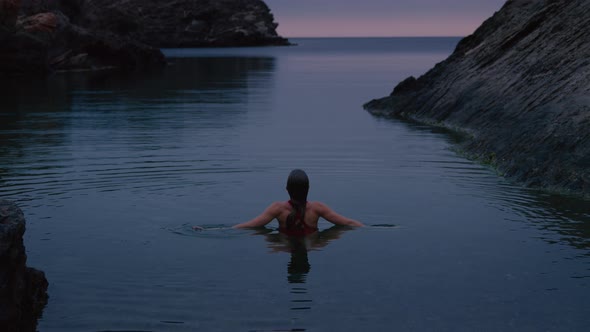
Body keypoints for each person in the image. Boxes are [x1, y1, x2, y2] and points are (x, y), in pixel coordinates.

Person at [233, 169, 364, 235]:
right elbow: (347, 223)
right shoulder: (317, 208)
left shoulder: (277, 208)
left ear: (287, 189)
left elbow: (252, 225)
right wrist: (366, 228)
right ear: (308, 189)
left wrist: (230, 229)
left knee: (269, 240)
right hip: (311, 243)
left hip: (285, 242)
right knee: (329, 237)